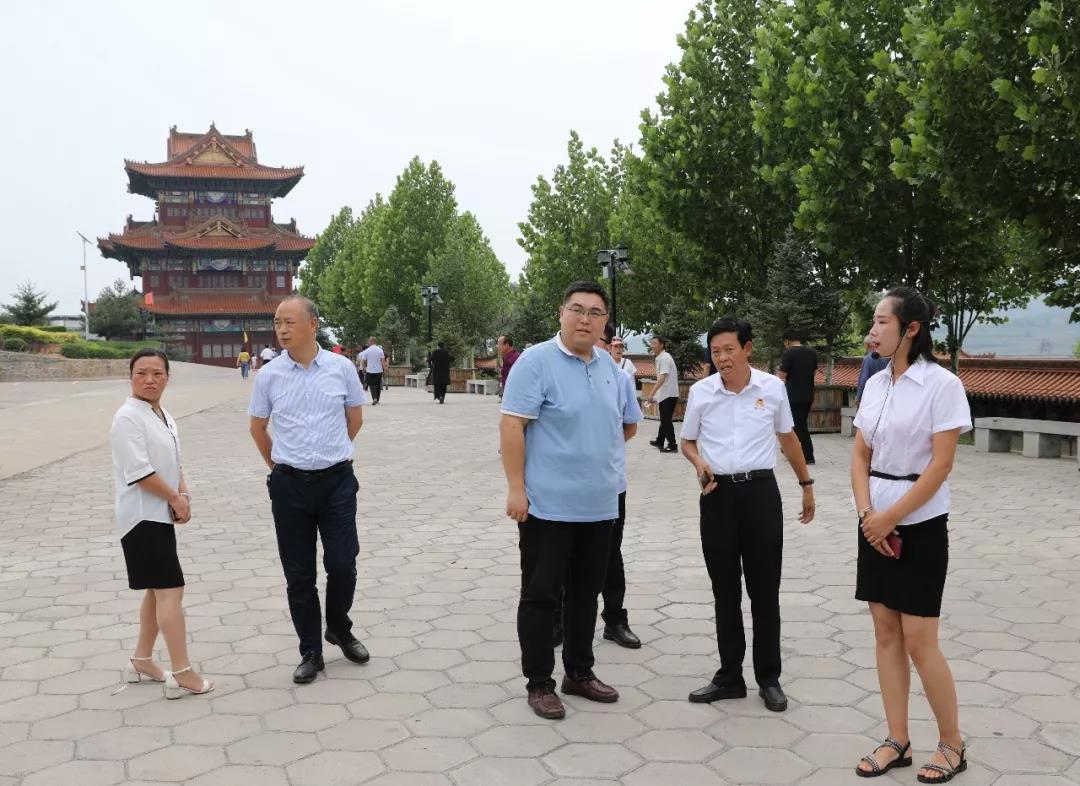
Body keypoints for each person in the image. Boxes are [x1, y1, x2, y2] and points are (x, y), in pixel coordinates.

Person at [851, 287, 971, 782]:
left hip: (919, 523)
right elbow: (861, 454)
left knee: (920, 639)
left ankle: (952, 744)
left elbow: (941, 466)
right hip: (873, 521)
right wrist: (868, 515)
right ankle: (896, 739)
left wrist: (891, 517)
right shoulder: (876, 383)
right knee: (885, 632)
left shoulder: (942, 385)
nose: (873, 330)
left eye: (882, 321)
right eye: (874, 321)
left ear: (911, 329)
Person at [501, 280, 632, 720]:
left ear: (604, 322)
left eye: (595, 313)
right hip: (546, 506)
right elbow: (512, 425)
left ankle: (579, 671)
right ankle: (540, 682)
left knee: (585, 595)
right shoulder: (535, 362)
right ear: (561, 313)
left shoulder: (610, 367)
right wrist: (516, 488)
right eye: (577, 309)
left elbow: (623, 425)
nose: (585, 319)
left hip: (599, 505)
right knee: (541, 597)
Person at [681, 317, 815, 713]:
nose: (722, 358)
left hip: (761, 494)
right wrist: (699, 462)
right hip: (717, 496)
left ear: (747, 349)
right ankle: (729, 676)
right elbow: (687, 441)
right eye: (715, 351)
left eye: (729, 349)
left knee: (764, 590)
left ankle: (769, 677)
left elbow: (788, 437)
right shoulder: (702, 392)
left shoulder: (772, 388)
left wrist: (806, 485)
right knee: (724, 589)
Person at [249, 295, 371, 684]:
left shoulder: (341, 368)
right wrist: (280, 467)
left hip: (337, 482)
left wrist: (331, 453)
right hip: (290, 487)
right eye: (277, 322)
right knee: (299, 574)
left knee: (342, 563)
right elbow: (257, 427)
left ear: (312, 325)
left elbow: (354, 418)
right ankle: (310, 650)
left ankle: (338, 627)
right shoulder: (269, 375)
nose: (282, 329)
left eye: (289, 322)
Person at [110, 349, 213, 700]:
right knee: (171, 591)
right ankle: (182, 672)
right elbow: (140, 473)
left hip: (160, 514)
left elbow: (173, 461)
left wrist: (183, 495)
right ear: (130, 376)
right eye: (141, 373)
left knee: (157, 591)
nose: (149, 379)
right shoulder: (127, 418)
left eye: (157, 373)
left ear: (168, 377)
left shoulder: (162, 414)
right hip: (141, 517)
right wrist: (174, 498)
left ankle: (141, 660)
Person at [778, 330, 819, 465]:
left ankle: (807, 456)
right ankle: (795, 453)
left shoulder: (789, 353)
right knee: (800, 424)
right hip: (808, 395)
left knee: (797, 425)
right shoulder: (812, 353)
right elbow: (814, 372)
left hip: (793, 395)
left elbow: (782, 375)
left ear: (787, 341)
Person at [646, 336, 679, 453]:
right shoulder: (661, 357)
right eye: (651, 343)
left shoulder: (665, 358)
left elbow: (662, 378)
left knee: (666, 421)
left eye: (654, 343)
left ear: (662, 345)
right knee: (665, 419)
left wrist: (652, 393)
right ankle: (660, 441)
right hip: (667, 393)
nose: (652, 346)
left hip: (668, 394)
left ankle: (672, 445)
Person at [855, 334, 890, 406]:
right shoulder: (887, 357)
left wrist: (859, 397)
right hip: (886, 393)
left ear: (868, 345)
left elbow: (863, 379)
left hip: (871, 395)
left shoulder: (868, 359)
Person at [359, 337, 386, 405]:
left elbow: (364, 361)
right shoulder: (380, 350)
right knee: (378, 385)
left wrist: (363, 368)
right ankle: (377, 399)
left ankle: (374, 398)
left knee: (372, 385)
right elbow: (382, 361)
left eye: (368, 341)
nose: (368, 343)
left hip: (370, 370)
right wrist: (384, 369)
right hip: (379, 370)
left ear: (371, 342)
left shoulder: (367, 351)